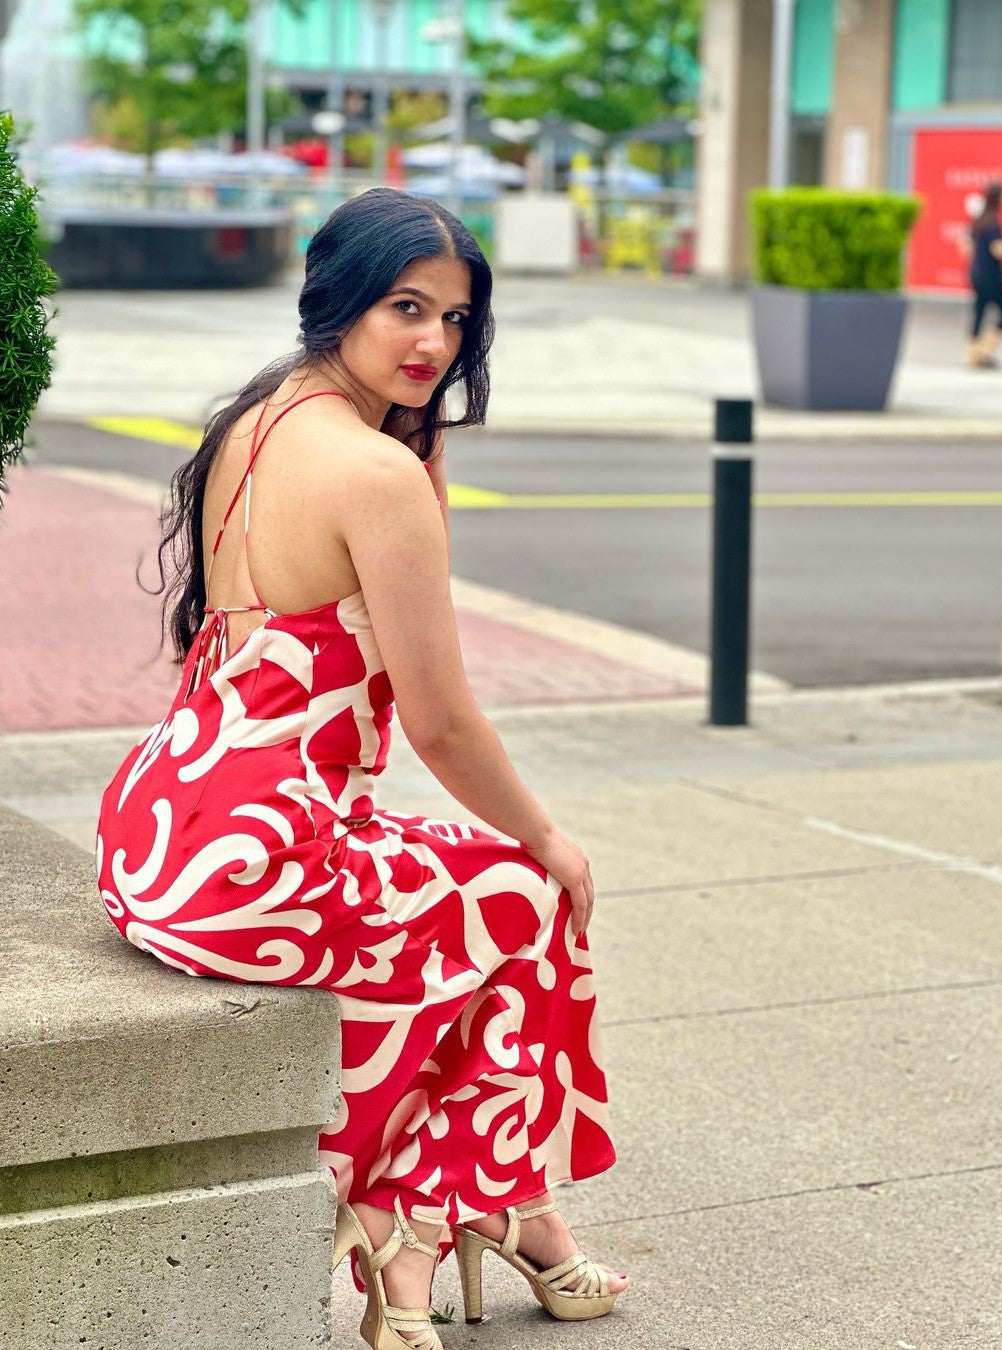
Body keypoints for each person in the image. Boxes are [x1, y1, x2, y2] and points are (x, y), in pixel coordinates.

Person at [96, 188, 629, 1349]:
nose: (432, 343)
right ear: (336, 297)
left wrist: (415, 439)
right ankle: (426, 1226)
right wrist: (547, 837)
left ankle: (491, 1221)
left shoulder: (263, 418)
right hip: (259, 862)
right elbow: (438, 724)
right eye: (404, 307)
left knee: (477, 901)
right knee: (527, 893)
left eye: (454, 319)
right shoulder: (376, 476)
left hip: (160, 831)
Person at [966, 180, 1002, 368]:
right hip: (990, 274)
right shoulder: (993, 222)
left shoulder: (980, 220)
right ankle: (985, 351)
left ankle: (973, 353)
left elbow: (967, 246)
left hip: (977, 271)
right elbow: (996, 249)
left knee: (980, 310)